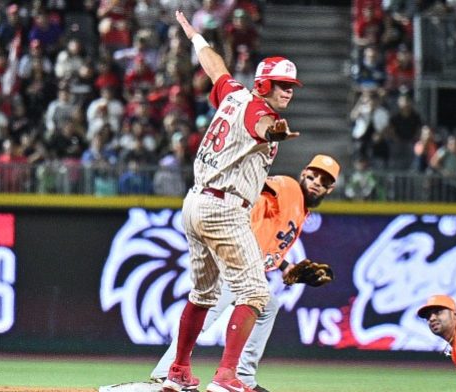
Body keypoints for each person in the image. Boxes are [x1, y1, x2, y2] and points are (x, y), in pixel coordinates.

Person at [163, 10, 302, 392]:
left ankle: (178, 372)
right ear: (263, 84)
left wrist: (196, 38)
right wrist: (274, 131)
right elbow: (261, 126)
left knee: (203, 294)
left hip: (194, 203)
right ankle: (226, 377)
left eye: (291, 85)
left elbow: (215, 68)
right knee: (256, 293)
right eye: (280, 84)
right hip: (224, 207)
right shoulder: (260, 110)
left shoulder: (235, 93)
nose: (287, 91)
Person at [152, 155, 340, 392]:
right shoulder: (289, 187)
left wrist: (286, 267)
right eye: (312, 176)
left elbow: (268, 244)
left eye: (323, 181)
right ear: (303, 174)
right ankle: (165, 372)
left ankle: (244, 377)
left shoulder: (300, 210)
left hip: (242, 262)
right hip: (232, 256)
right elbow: (261, 183)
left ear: (329, 189)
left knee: (268, 305)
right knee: (207, 312)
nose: (315, 183)